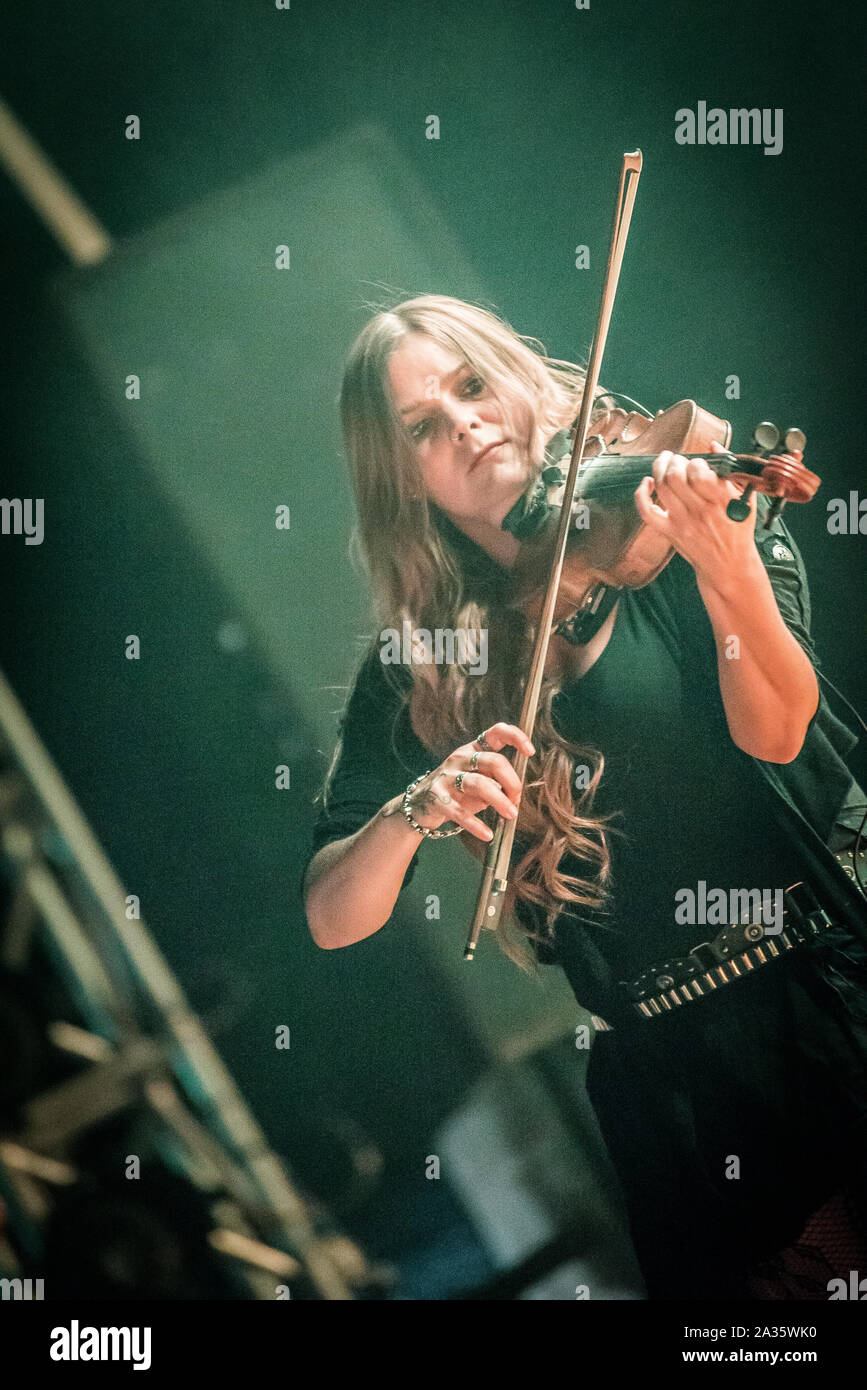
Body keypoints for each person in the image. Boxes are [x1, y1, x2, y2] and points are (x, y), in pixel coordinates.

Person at [301, 293, 867, 1300]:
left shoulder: (672, 510)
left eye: (472, 386)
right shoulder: (428, 662)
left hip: (824, 995)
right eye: (424, 428)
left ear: (520, 378)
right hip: (669, 1076)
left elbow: (779, 733)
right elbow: (334, 915)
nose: (466, 423)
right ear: (405, 482)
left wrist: (728, 566)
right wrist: (413, 809)